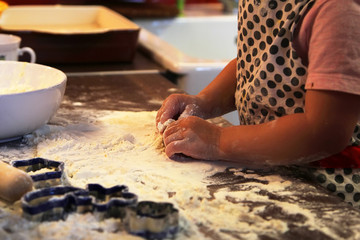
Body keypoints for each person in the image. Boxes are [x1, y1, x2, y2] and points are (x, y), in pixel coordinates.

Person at [156, 0, 360, 206]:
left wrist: (217, 140)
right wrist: (203, 102)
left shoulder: (336, 10)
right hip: (267, 170)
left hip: (327, 188)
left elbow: (324, 132)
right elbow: (254, 64)